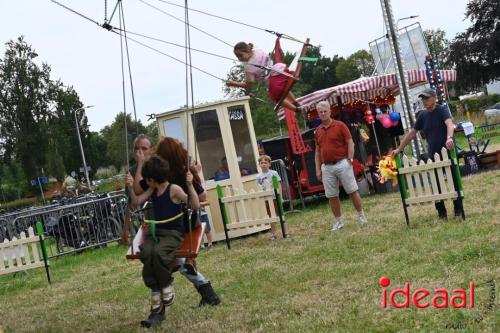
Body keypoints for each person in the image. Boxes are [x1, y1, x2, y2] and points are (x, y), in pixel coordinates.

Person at [135, 136, 221, 307]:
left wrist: (140, 163)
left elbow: (137, 190)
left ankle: (171, 291)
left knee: (169, 260)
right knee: (174, 261)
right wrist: (195, 176)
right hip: (188, 223)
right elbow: (202, 197)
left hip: (173, 226)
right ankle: (206, 292)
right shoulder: (185, 172)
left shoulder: (158, 174)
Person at [127, 155, 200, 328]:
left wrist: (189, 185)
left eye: (147, 179)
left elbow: (195, 205)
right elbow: (136, 202)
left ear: (153, 179)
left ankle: (166, 284)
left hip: (173, 233)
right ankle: (155, 288)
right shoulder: (153, 190)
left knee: (159, 253)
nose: (145, 181)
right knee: (146, 252)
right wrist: (131, 188)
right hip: (157, 232)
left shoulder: (173, 189)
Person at [392, 88, 462, 219]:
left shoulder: (442, 110)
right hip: (432, 155)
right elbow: (412, 134)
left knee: (454, 181)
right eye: (423, 99)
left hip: (448, 152)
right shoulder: (422, 116)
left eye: (427, 98)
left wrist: (449, 138)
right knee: (436, 185)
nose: (424, 101)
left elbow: (449, 124)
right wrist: (399, 149)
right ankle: (442, 213)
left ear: (434, 98)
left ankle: (458, 209)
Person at [314, 101, 368, 230]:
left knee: (352, 191)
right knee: (331, 195)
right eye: (320, 112)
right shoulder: (317, 131)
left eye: (325, 111)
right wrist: (318, 169)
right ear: (318, 114)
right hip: (326, 166)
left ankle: (361, 216)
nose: (323, 114)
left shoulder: (340, 125)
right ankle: (338, 221)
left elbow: (350, 142)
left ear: (330, 111)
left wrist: (350, 158)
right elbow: (317, 151)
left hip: (342, 162)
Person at [226, 42, 302, 113]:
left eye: (240, 55)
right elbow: (251, 46)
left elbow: (247, 85)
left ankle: (295, 109)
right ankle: (295, 102)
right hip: (280, 69)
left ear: (247, 51)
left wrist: (233, 83)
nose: (240, 59)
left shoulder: (248, 68)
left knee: (277, 98)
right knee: (284, 89)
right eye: (237, 57)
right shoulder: (257, 50)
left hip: (273, 80)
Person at [121, 134, 152, 245]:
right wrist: (125, 229)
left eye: (144, 148)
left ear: (151, 150)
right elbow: (130, 203)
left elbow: (138, 190)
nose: (140, 152)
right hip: (148, 219)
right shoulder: (131, 171)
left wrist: (140, 164)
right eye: (136, 148)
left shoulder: (157, 166)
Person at [256, 154, 289, 240]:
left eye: (265, 162)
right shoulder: (258, 177)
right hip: (266, 199)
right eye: (261, 163)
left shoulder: (273, 173)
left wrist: (280, 197)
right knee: (271, 217)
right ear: (259, 164)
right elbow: (259, 188)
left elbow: (279, 185)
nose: (263, 164)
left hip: (275, 197)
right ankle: (274, 234)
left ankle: (285, 232)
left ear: (269, 164)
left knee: (281, 215)